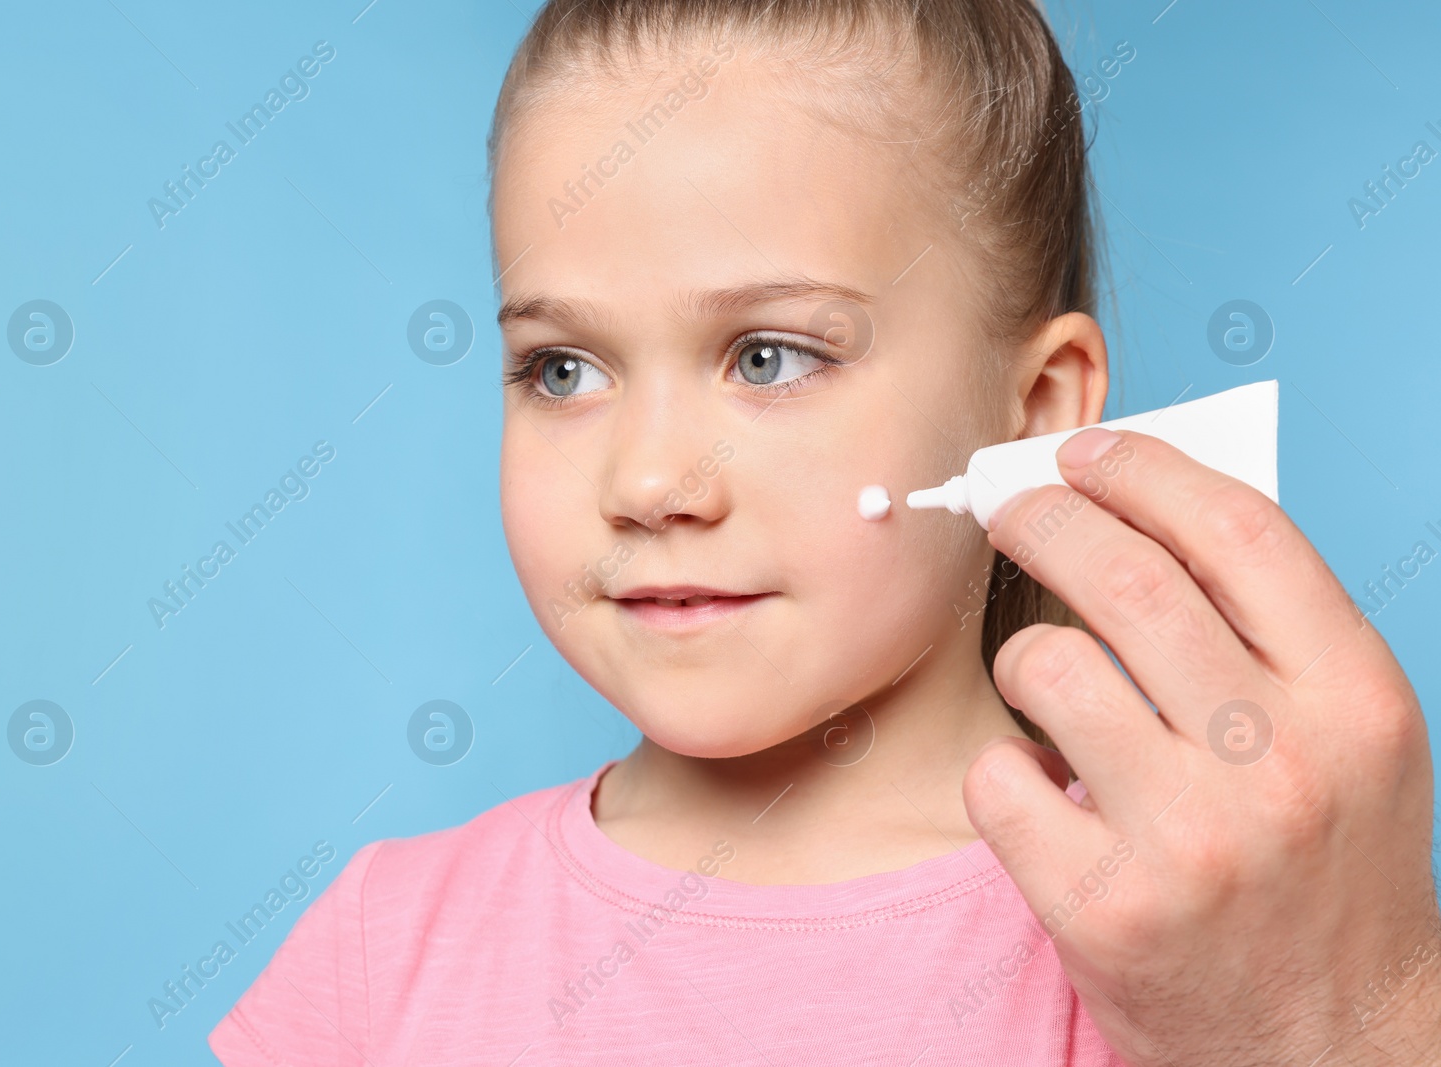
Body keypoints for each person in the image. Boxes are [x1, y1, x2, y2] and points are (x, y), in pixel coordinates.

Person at [209, 1, 1441, 1063]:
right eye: (563, 368)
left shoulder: (1187, 945)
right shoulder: (379, 956)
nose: (647, 480)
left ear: (1034, 410)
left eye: (768, 356)